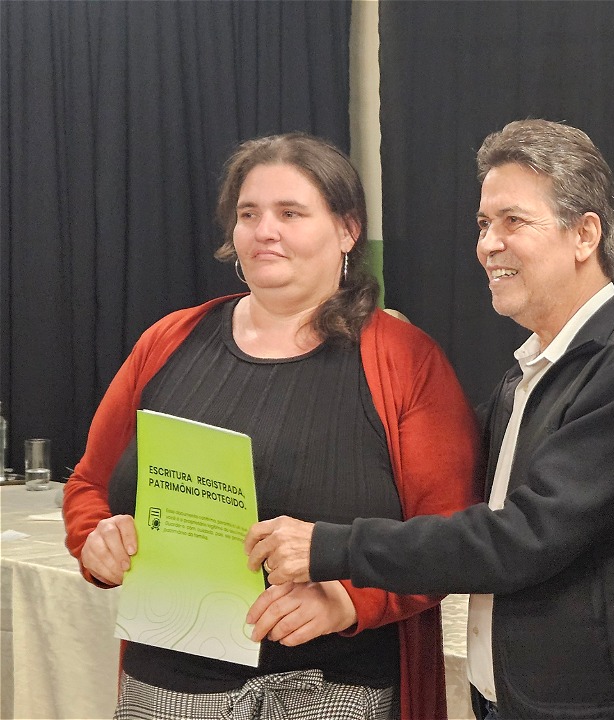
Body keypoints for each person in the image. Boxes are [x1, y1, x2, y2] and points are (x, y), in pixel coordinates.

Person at [246, 119, 614, 719]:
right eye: (484, 224)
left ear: (585, 234)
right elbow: (440, 478)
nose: (488, 244)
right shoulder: (530, 372)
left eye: (513, 221)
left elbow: (520, 539)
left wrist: (331, 546)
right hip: (508, 699)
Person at [62, 133, 479, 719]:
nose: (265, 231)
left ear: (348, 230)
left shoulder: (407, 362)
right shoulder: (167, 341)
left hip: (335, 693)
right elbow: (88, 485)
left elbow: (448, 536)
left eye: (290, 213)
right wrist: (96, 541)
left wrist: (349, 600)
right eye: (249, 214)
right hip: (165, 690)